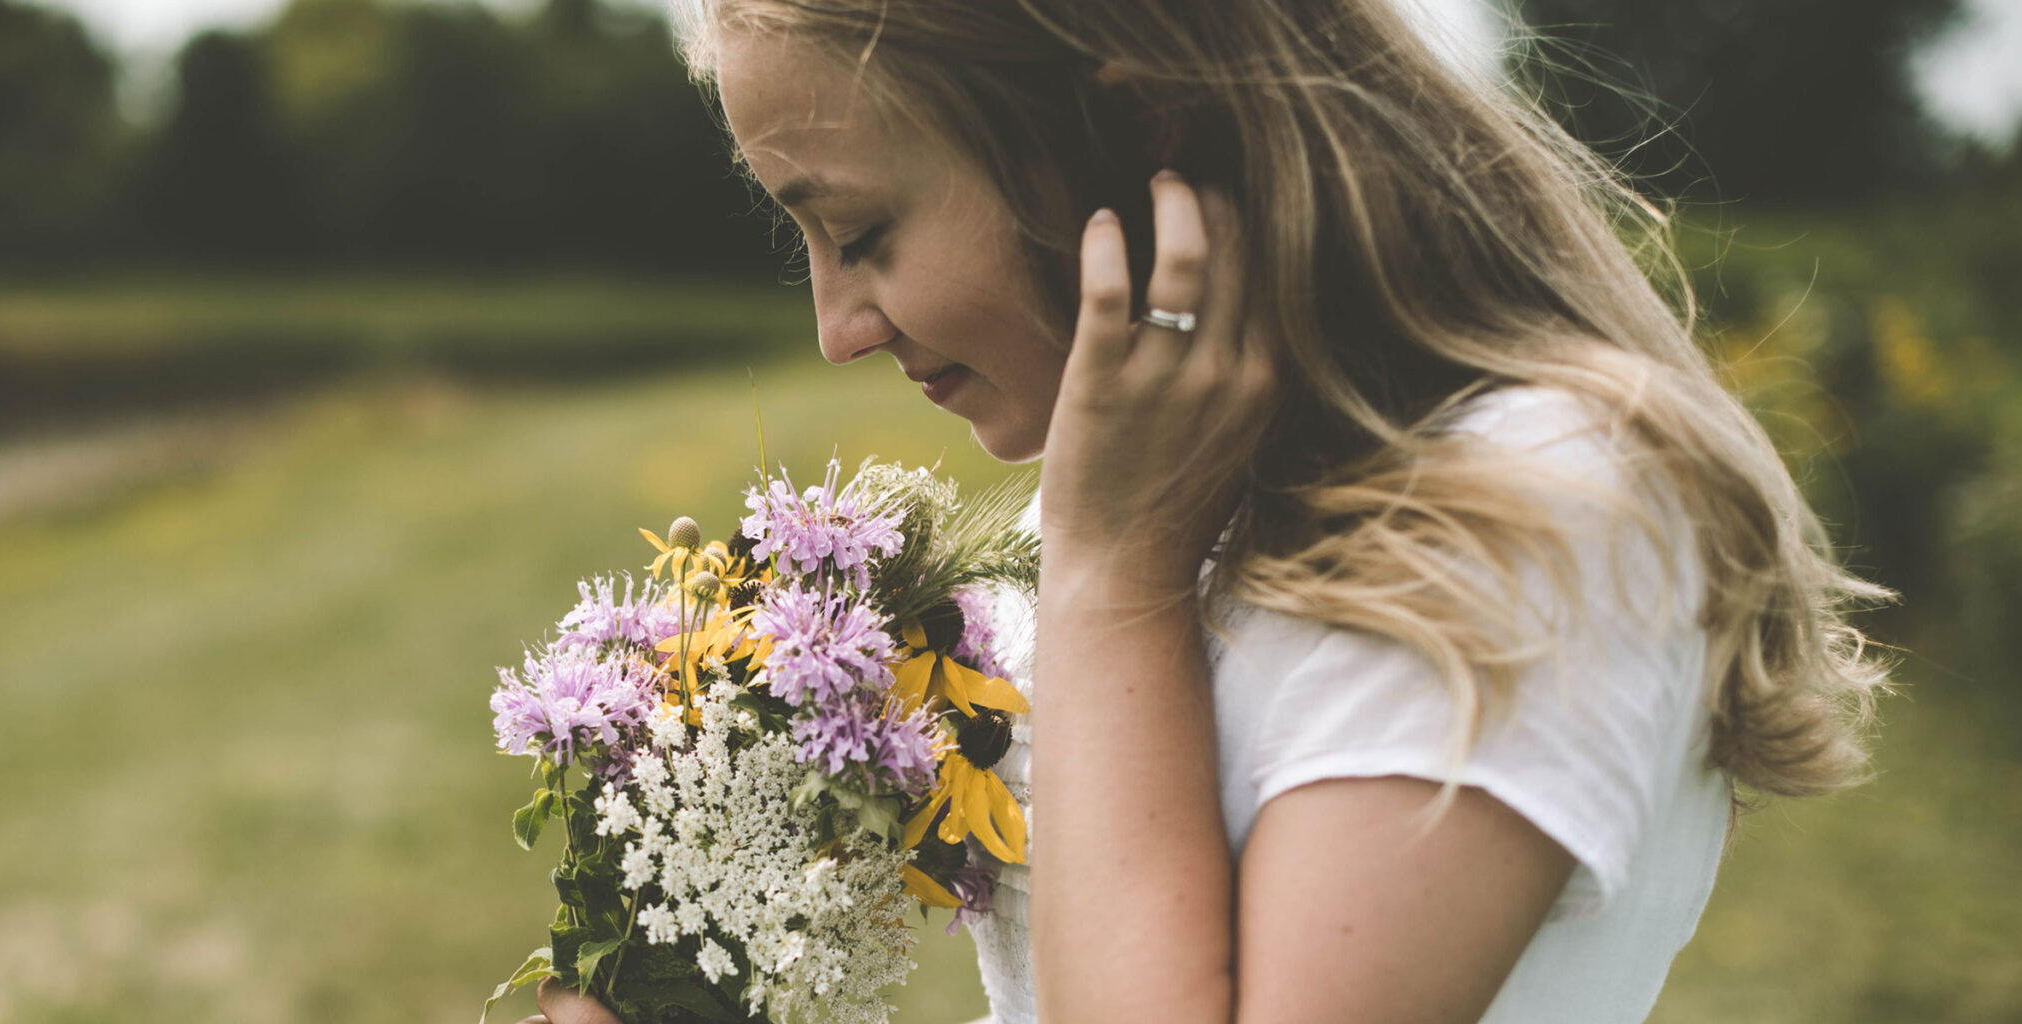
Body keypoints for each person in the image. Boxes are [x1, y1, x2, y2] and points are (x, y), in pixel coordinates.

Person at [526, 0, 1891, 1021]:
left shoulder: (1540, 512)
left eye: (864, 231)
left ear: (1135, 129)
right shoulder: (1188, 498)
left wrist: (1114, 574)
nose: (836, 325)